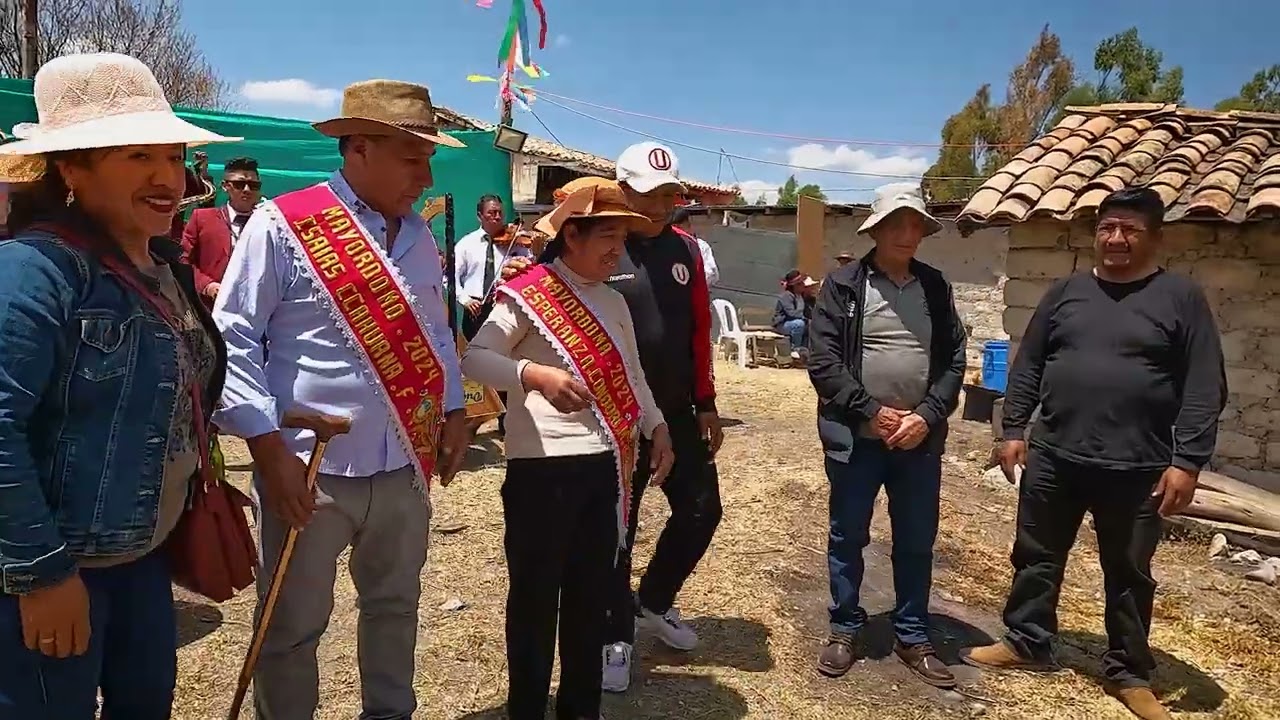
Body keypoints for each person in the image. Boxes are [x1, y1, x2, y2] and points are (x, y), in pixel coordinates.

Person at [212, 79, 470, 719]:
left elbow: (435, 330)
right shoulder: (285, 223)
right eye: (413, 156)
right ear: (359, 147)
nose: (427, 172)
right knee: (292, 628)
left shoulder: (417, 236)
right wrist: (265, 446)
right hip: (309, 469)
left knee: (393, 609)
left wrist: (457, 408)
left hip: (404, 463)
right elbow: (233, 334)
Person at [0, 52, 236, 717]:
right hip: (56, 569)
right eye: (138, 157)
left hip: (142, 563)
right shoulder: (32, 272)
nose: (167, 177)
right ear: (72, 168)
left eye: (172, 154)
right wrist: (42, 574)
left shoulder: (161, 265)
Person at [960, 187, 1226, 720]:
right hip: (1056, 455)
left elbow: (1204, 386)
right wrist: (1013, 428)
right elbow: (1030, 362)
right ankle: (1027, 639)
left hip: (1138, 465)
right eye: (1107, 228)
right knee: (1036, 554)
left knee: (1129, 570)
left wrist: (1188, 460)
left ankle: (1128, 671)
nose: (1116, 239)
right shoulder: (1066, 293)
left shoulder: (1180, 298)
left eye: (1130, 229)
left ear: (1155, 237)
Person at [462, 177, 675, 720]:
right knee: (534, 603)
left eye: (623, 238)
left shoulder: (614, 301)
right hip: (542, 473)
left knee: (591, 601)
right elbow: (475, 359)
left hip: (605, 466)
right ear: (572, 235)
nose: (617, 250)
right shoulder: (528, 294)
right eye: (607, 235)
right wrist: (534, 375)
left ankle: (580, 709)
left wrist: (658, 427)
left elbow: (632, 374)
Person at [806, 182, 967, 687]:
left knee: (917, 539)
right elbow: (823, 360)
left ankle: (913, 632)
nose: (906, 232)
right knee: (848, 534)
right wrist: (870, 411)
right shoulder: (844, 285)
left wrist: (927, 415)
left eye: (914, 224)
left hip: (918, 441)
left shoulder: (935, 287)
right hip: (858, 439)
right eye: (895, 223)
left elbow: (955, 360)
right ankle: (844, 626)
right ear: (875, 230)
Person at [603, 141, 722, 692]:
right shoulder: (596, 243)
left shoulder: (688, 251)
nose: (658, 206)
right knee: (616, 531)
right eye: (647, 195)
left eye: (668, 195)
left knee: (702, 509)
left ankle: (653, 600)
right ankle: (612, 636)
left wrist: (707, 404)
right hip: (615, 415)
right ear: (621, 189)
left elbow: (700, 330)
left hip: (675, 411)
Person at [180, 155, 264, 307]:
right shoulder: (202, 218)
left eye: (253, 185)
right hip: (210, 308)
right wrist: (207, 286)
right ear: (225, 186)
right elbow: (183, 262)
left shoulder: (270, 222)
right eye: (239, 184)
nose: (246, 189)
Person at [455, 193, 534, 340]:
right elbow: (450, 277)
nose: (497, 217)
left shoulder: (515, 242)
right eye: (491, 213)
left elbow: (530, 266)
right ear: (480, 216)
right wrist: (465, 300)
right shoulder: (466, 244)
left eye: (500, 213)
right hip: (475, 308)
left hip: (503, 307)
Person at [773, 269, 818, 357]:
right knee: (799, 324)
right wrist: (805, 318)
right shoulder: (787, 296)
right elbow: (791, 313)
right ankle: (795, 348)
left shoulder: (800, 296)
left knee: (810, 326)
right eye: (800, 284)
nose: (803, 286)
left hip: (794, 322)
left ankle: (805, 349)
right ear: (795, 286)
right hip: (782, 324)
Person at [670, 206, 719, 285]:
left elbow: (710, 273)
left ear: (688, 225)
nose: (677, 232)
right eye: (673, 228)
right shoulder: (664, 246)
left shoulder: (700, 246)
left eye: (679, 228)